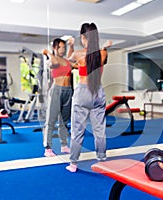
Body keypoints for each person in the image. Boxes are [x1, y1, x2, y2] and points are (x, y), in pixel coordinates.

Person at [66, 23, 112, 172]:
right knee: (100, 129)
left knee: (78, 129)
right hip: (98, 92)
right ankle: (101, 158)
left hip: (83, 93)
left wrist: (71, 46)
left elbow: (66, 63)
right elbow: (101, 59)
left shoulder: (79, 54)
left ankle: (73, 163)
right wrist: (105, 48)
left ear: (83, 37)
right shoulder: (102, 54)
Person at [42, 37, 74, 157]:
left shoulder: (66, 61)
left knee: (64, 120)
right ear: (55, 47)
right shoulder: (51, 60)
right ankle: (48, 148)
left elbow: (72, 59)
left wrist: (71, 46)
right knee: (51, 120)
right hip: (57, 90)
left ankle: (64, 145)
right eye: (61, 46)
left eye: (64, 47)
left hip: (68, 90)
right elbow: (54, 63)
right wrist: (48, 52)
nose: (63, 49)